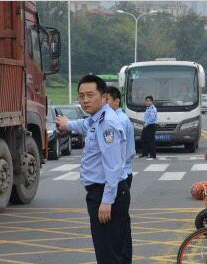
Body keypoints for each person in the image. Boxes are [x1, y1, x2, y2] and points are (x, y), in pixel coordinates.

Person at [55, 75, 131, 264]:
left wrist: (106, 201)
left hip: (105, 192)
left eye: (90, 95)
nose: (85, 100)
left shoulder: (107, 124)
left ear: (104, 97)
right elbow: (84, 125)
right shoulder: (97, 118)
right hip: (105, 191)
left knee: (108, 255)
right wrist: (67, 125)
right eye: (81, 96)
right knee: (116, 250)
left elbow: (113, 166)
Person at [106, 86, 135, 263]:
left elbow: (119, 154)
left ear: (116, 101)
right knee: (121, 221)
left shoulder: (119, 120)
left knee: (120, 222)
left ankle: (123, 258)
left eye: (107, 99)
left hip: (121, 175)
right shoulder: (116, 118)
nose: (105, 103)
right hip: (123, 172)